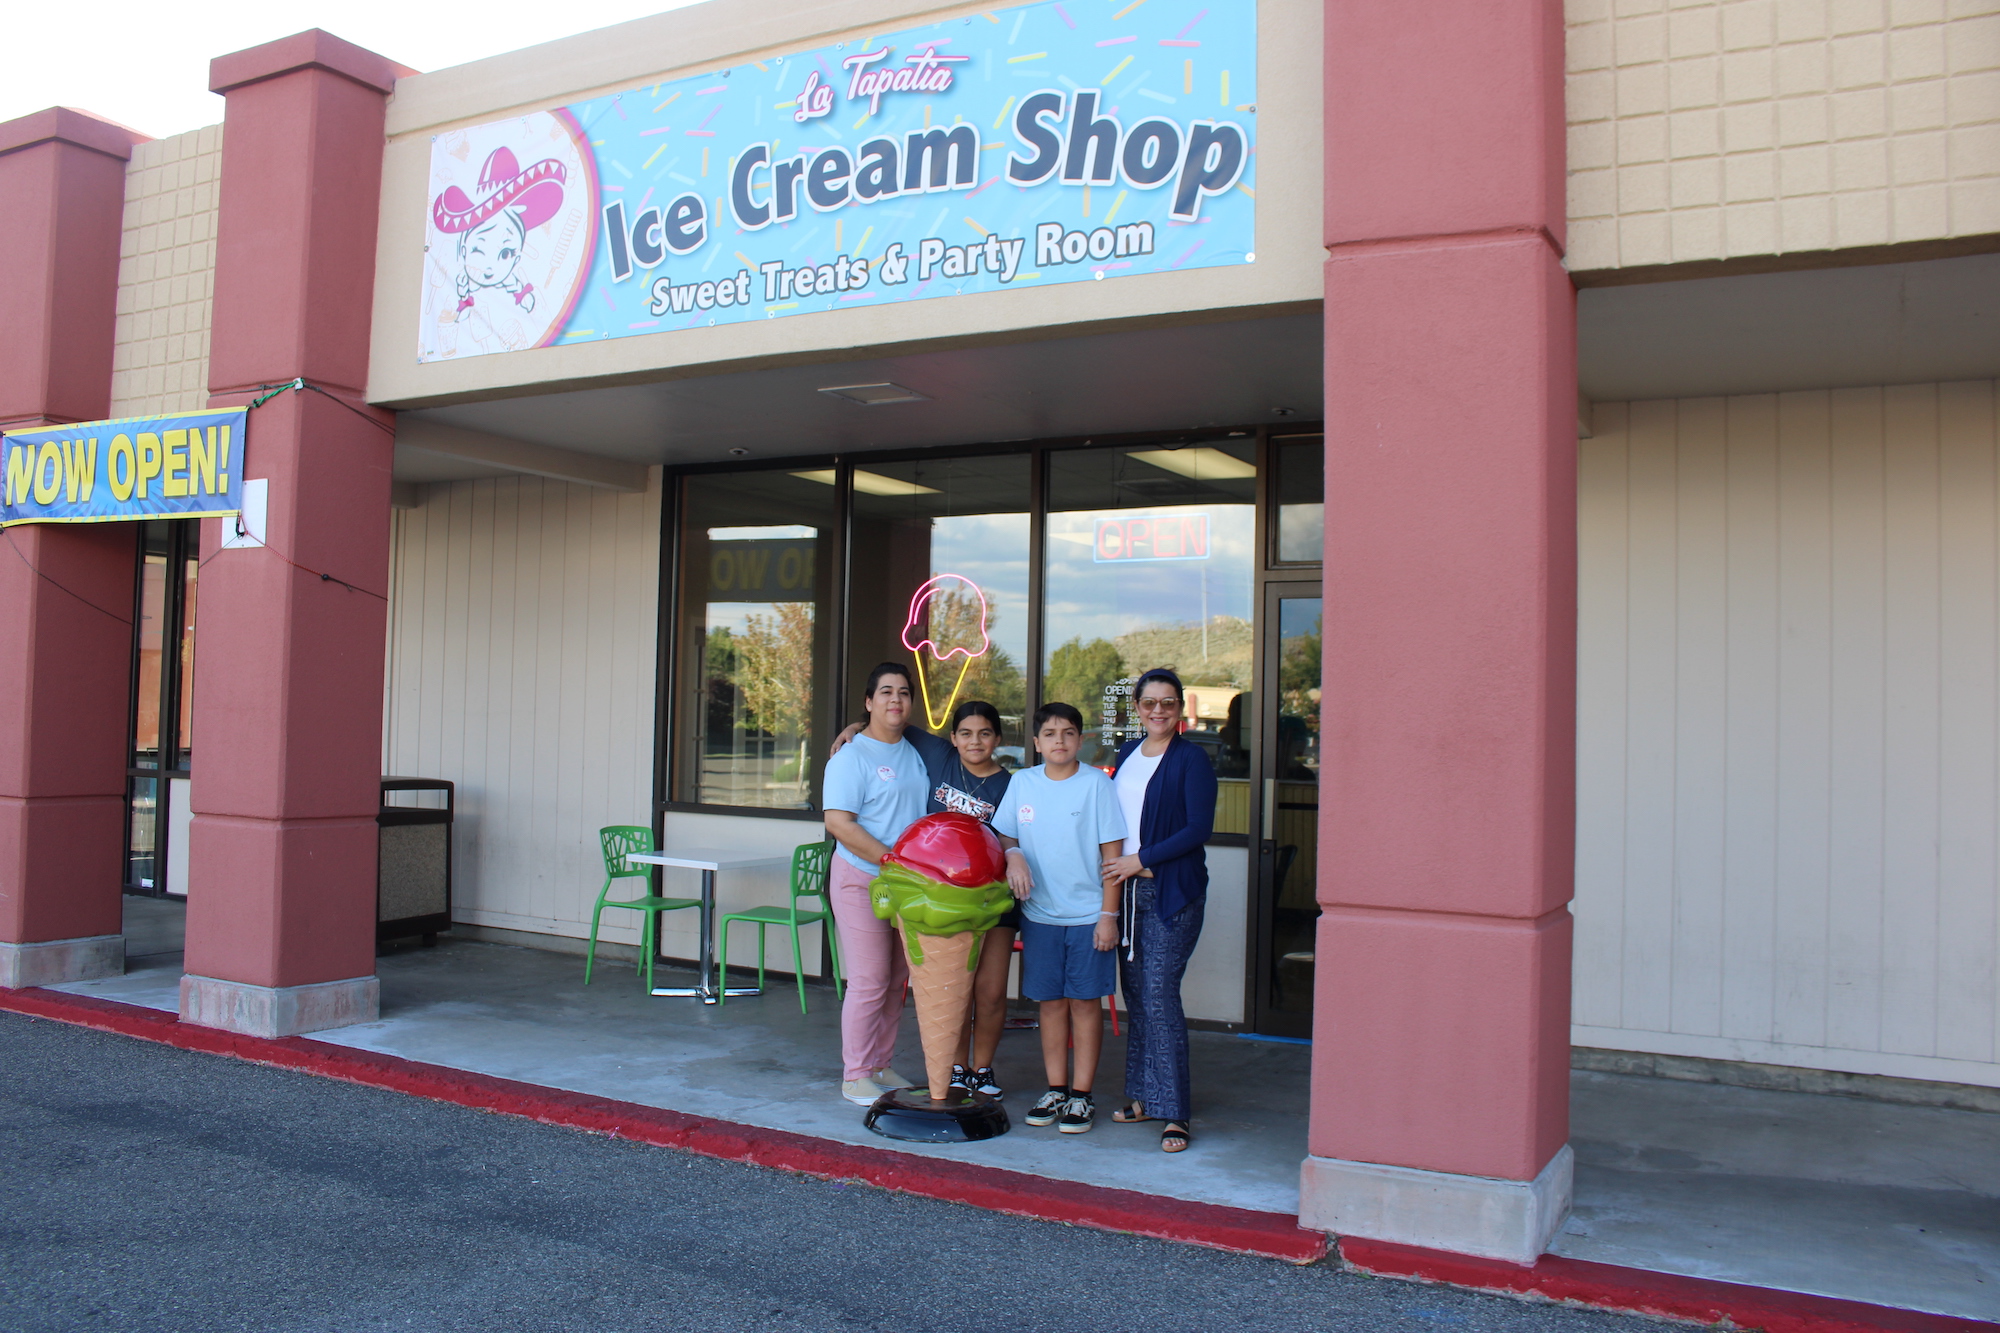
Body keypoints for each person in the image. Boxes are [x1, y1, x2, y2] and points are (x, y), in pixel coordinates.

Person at [834, 700, 1018, 1099]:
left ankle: (982, 1069)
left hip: (987, 899)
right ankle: (953, 1068)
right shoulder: (939, 756)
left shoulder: (1011, 785)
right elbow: (890, 722)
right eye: (965, 733)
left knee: (989, 992)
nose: (975, 741)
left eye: (985, 733)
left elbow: (1013, 837)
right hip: (935, 899)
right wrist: (854, 727)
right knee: (950, 990)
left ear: (998, 738)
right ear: (952, 738)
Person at [991, 703, 1127, 1135]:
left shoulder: (1097, 785)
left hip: (1089, 916)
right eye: (1050, 734)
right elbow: (1005, 833)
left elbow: (1113, 858)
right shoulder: (1022, 782)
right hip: (1040, 916)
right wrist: (1013, 854)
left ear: (1081, 740)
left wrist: (1108, 915)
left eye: (1068, 733)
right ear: (1036, 742)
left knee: (1084, 1004)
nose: (1060, 741)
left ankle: (1082, 1095)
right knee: (1050, 1004)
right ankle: (1055, 1089)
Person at [1100, 668, 1216, 1153]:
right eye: (1149, 703)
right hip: (1127, 894)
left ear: (1180, 707)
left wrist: (1141, 859)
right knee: (1138, 997)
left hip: (1170, 893)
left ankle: (1175, 1112)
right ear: (1137, 708)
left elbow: (1198, 828)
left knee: (1160, 996)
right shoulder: (1128, 753)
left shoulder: (1192, 759)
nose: (1158, 711)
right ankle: (1145, 1096)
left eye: (1168, 702)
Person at [821, 662, 928, 1105]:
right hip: (861, 878)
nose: (895, 700)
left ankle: (880, 1065)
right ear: (869, 702)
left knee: (897, 979)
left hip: (903, 883)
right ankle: (856, 1074)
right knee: (869, 979)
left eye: (903, 692)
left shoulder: (916, 750)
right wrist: (889, 858)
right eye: (885, 692)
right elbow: (839, 823)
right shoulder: (851, 756)